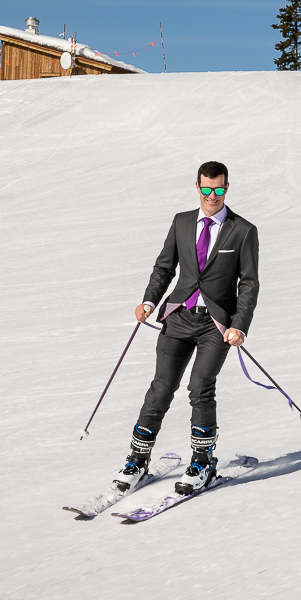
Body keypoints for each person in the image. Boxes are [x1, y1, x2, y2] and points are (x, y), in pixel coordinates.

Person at [115, 160, 261, 497]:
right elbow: (164, 267)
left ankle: (202, 461)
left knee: (200, 386)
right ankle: (137, 460)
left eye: (219, 188)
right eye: (206, 188)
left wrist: (239, 325)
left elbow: (249, 283)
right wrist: (149, 302)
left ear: (227, 187)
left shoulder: (242, 230)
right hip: (178, 317)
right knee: (161, 389)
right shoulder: (182, 222)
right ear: (197, 187)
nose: (212, 195)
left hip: (216, 325)